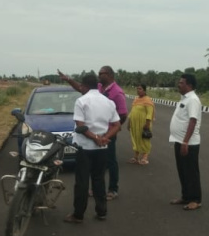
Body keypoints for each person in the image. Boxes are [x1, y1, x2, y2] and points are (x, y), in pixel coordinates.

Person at [58, 66, 128, 200]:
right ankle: (96, 190)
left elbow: (123, 115)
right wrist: (68, 79)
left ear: (110, 75)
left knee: (110, 162)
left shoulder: (117, 92)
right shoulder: (100, 88)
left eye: (102, 73)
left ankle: (113, 189)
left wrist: (110, 131)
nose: (99, 75)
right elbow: (81, 88)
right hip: (93, 134)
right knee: (96, 166)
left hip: (107, 134)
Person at [63, 73, 120, 223]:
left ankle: (78, 214)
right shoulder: (108, 102)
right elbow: (117, 125)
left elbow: (81, 127)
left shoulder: (81, 101)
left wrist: (95, 139)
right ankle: (101, 212)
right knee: (99, 180)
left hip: (85, 147)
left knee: (82, 182)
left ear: (85, 86)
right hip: (102, 149)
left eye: (81, 85)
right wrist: (105, 138)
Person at [168, 73, 202, 210]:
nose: (179, 84)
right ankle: (186, 196)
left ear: (189, 86)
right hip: (179, 140)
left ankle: (195, 199)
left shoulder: (193, 100)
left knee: (191, 172)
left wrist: (185, 142)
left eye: (181, 83)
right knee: (182, 171)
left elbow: (193, 121)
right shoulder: (184, 99)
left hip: (189, 143)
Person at [126, 84, 155, 165]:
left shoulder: (148, 100)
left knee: (144, 139)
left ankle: (145, 157)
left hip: (143, 124)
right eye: (137, 89)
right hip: (134, 124)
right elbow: (132, 112)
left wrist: (147, 124)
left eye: (140, 89)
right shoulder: (136, 100)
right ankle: (136, 157)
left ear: (144, 90)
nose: (138, 90)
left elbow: (150, 113)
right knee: (135, 138)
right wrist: (129, 123)